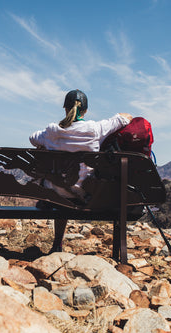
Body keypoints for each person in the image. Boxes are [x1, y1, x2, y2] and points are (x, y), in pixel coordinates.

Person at [29, 89, 133, 252]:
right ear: (85, 110)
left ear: (65, 109)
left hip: (55, 196)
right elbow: (125, 117)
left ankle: (57, 244)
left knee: (60, 185)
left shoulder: (52, 131)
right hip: (86, 196)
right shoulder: (95, 129)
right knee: (73, 185)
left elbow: (32, 138)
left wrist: (48, 142)